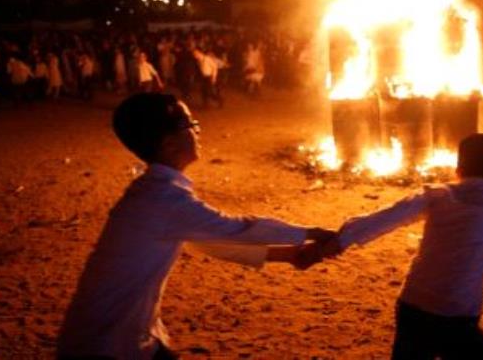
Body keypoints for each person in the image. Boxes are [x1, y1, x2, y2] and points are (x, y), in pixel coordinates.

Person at [57, 93, 334, 360]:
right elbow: (238, 229)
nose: (198, 131)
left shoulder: (155, 193)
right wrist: (311, 232)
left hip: (129, 335)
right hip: (101, 344)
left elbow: (209, 243)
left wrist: (288, 255)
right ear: (168, 143)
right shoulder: (163, 199)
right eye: (190, 124)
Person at [303, 134, 483, 360]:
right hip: (458, 313)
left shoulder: (435, 196)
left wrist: (337, 242)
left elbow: (383, 218)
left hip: (414, 306)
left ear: (458, 169)